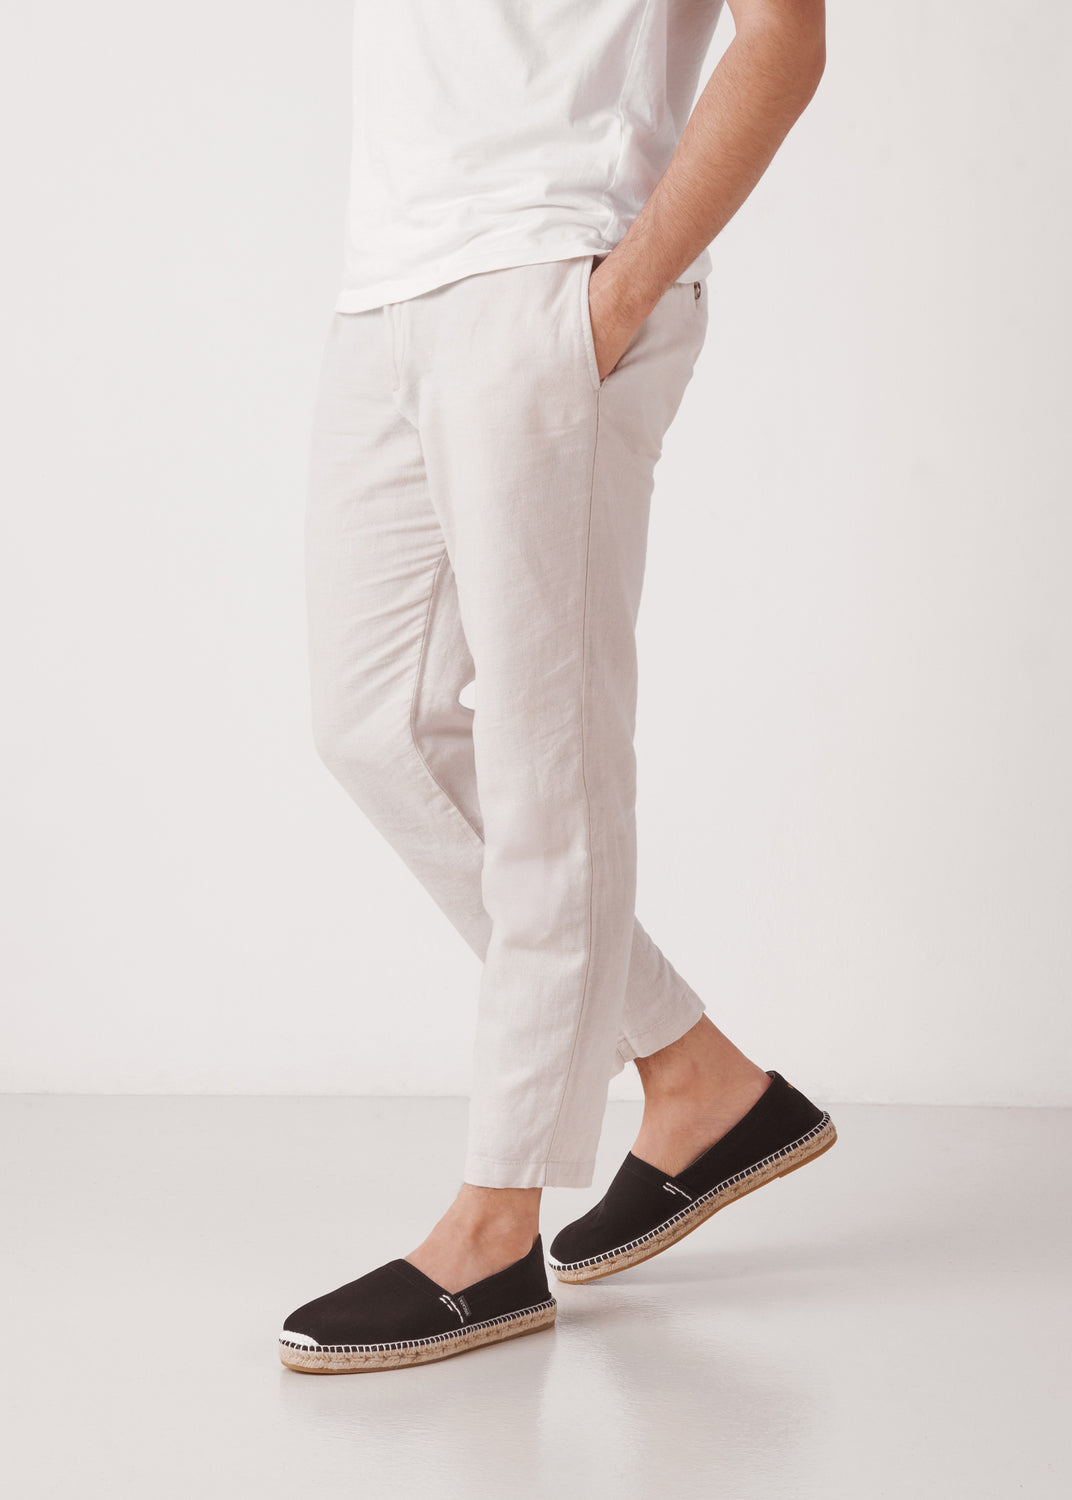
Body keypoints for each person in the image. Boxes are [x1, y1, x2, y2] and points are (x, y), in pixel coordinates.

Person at [279, 0, 834, 1374]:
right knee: (374, 729)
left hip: (551, 268)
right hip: (389, 280)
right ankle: (696, 1078)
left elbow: (785, 35)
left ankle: (495, 1224)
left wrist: (618, 295)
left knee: (550, 768)